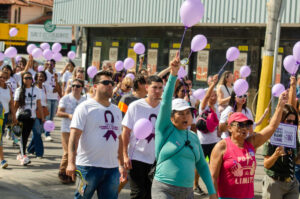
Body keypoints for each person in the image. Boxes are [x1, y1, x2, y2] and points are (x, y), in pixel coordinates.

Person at [151, 52, 217, 199]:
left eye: (188, 113)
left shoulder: (193, 137)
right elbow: (165, 103)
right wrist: (173, 75)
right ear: (171, 116)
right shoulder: (164, 130)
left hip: (187, 192)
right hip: (163, 189)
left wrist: (212, 191)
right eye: (181, 113)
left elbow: (202, 165)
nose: (186, 116)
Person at [209, 91, 287, 199]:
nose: (244, 128)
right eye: (240, 124)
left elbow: (271, 127)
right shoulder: (222, 146)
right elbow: (212, 176)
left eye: (247, 124)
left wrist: (280, 105)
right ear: (230, 128)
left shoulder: (251, 143)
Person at [66, 70, 126, 199]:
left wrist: (121, 164)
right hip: (87, 167)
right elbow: (74, 136)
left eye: (112, 83)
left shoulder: (116, 110)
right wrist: (71, 162)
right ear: (95, 86)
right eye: (105, 82)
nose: (110, 85)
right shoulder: (84, 107)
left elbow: (119, 139)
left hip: (112, 168)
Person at [122, 75, 163, 199]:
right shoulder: (135, 106)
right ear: (146, 88)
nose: (157, 91)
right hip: (136, 157)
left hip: (156, 159)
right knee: (138, 193)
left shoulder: (164, 108)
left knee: (151, 194)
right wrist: (125, 155)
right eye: (154, 87)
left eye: (160, 88)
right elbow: (125, 132)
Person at [194, 74, 220, 195]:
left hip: (214, 142)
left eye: (215, 95)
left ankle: (213, 190)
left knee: (214, 167)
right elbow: (207, 96)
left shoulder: (217, 109)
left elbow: (218, 125)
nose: (213, 97)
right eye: (212, 95)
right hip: (203, 142)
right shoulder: (203, 107)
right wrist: (213, 85)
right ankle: (195, 185)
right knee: (199, 166)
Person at [57, 79, 86, 184]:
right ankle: (62, 172)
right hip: (66, 128)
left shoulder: (85, 100)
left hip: (80, 129)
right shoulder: (65, 98)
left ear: (82, 88)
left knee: (77, 152)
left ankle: (72, 173)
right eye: (73, 85)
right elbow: (59, 112)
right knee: (67, 151)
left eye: (78, 86)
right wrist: (68, 115)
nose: (75, 88)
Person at [14, 72, 44, 165]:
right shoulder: (19, 90)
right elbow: (15, 105)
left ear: (32, 79)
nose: (28, 80)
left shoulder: (36, 90)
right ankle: (23, 156)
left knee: (26, 136)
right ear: (22, 80)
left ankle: (20, 153)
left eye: (30, 78)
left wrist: (42, 117)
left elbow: (39, 104)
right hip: (21, 116)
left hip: (31, 117)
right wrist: (13, 117)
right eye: (26, 78)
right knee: (21, 137)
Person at [27, 71, 48, 159]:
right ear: (35, 78)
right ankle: (39, 153)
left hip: (42, 111)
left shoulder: (44, 87)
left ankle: (30, 149)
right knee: (37, 132)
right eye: (39, 76)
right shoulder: (33, 88)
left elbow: (44, 100)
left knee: (38, 132)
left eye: (42, 76)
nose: (40, 78)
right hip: (35, 111)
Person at [0, 71, 17, 168]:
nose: (2, 79)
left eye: (5, 77)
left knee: (0, 136)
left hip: (5, 115)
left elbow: (11, 103)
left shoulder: (8, 88)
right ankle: (2, 159)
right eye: (0, 76)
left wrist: (14, 117)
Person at [44, 59, 61, 141]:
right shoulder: (45, 74)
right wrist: (55, 88)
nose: (50, 66)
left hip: (55, 98)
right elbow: (50, 87)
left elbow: (58, 87)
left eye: (51, 64)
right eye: (48, 64)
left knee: (51, 117)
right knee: (47, 116)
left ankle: (48, 131)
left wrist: (57, 81)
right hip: (48, 97)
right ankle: (47, 134)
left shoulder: (56, 74)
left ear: (54, 65)